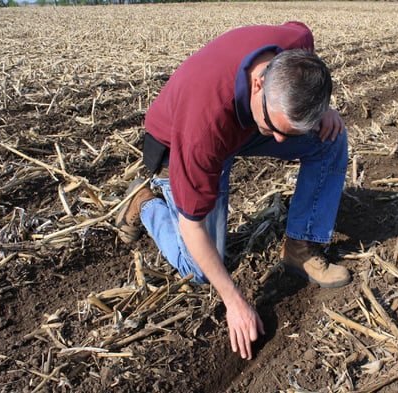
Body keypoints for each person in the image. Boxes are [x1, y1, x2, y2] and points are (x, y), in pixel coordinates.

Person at [115, 22, 350, 361]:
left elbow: (304, 40)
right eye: (275, 128)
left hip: (243, 122)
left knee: (330, 139)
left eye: (287, 130)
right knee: (197, 268)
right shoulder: (203, 128)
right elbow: (193, 226)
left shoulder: (295, 48)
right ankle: (145, 201)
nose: (282, 141)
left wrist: (320, 111)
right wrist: (234, 301)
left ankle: (301, 247)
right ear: (258, 85)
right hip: (176, 139)